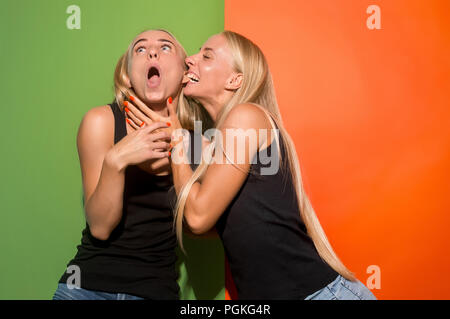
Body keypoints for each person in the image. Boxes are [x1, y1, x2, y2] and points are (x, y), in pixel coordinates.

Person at [166, 30, 377, 300]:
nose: (190, 60)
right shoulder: (216, 143)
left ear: (235, 79)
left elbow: (196, 218)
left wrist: (176, 144)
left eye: (206, 55)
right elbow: (214, 227)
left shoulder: (247, 116)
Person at [53, 29, 210, 300]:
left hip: (155, 290)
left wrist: (177, 148)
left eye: (165, 47)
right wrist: (116, 160)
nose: (151, 51)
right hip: (85, 288)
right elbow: (101, 228)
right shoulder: (100, 122)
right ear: (127, 75)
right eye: (140, 49)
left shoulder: (201, 144)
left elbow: (203, 227)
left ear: (184, 72)